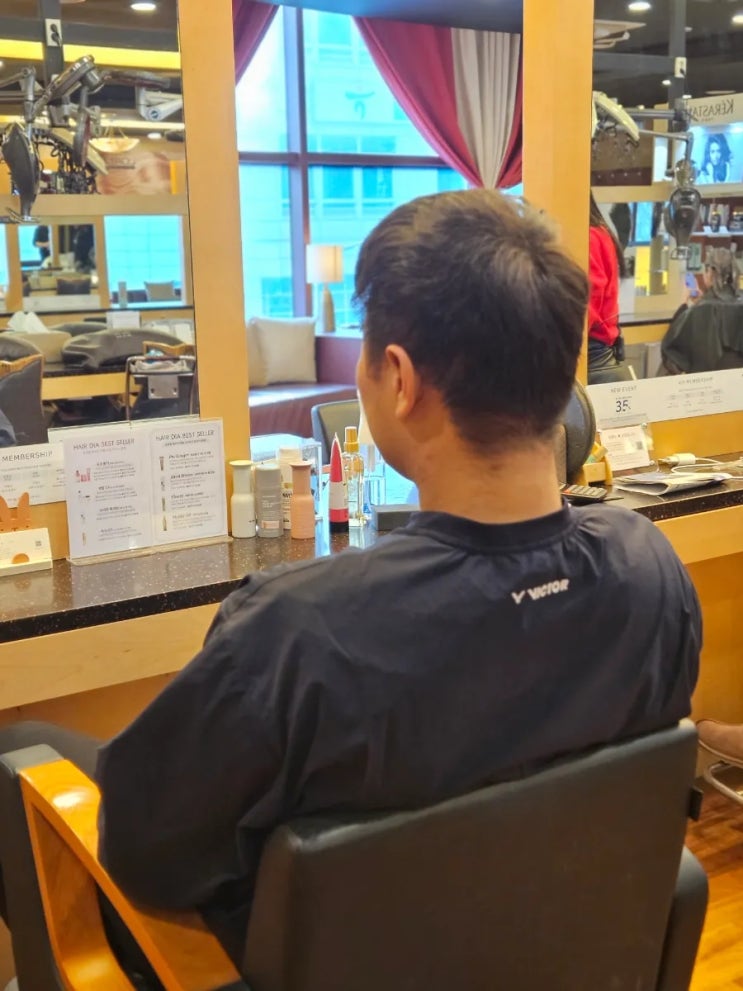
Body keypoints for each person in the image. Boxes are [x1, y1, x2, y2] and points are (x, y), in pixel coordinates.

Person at [0, 190, 701, 982]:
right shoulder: (648, 572)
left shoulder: (298, 632)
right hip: (549, 955)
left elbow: (142, 855)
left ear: (397, 378)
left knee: (22, 754)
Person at [661, 247, 743, 373]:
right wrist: (700, 303)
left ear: (710, 272)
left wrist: (684, 303)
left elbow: (673, 349)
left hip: (706, 380)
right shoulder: (735, 304)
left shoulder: (701, 310)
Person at [587, 193, 632, 384]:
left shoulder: (587, 237)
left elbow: (585, 310)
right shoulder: (599, 233)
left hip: (591, 365)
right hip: (599, 360)